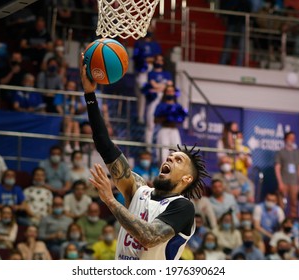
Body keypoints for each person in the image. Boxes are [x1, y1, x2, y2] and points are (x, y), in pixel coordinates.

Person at [80, 54, 210, 260]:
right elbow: (105, 145)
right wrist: (90, 94)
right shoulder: (138, 189)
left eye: (178, 160)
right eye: (170, 156)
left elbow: (150, 236)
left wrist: (110, 200)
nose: (169, 159)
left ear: (187, 179)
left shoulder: (182, 206)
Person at [154, 85, 188, 163]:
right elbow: (155, 120)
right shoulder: (161, 105)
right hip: (164, 130)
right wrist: (166, 116)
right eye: (168, 91)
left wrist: (177, 118)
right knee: (163, 153)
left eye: (172, 91)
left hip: (174, 130)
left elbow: (181, 119)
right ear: (165, 93)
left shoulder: (177, 106)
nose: (170, 93)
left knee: (177, 152)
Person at [274, 131, 299, 218]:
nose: (292, 140)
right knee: (281, 204)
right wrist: (280, 182)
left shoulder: (297, 153)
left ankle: (293, 223)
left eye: (293, 138)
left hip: (294, 182)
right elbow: (277, 168)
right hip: (284, 181)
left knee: (294, 204)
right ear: (285, 139)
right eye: (290, 138)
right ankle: (281, 221)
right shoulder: (280, 152)